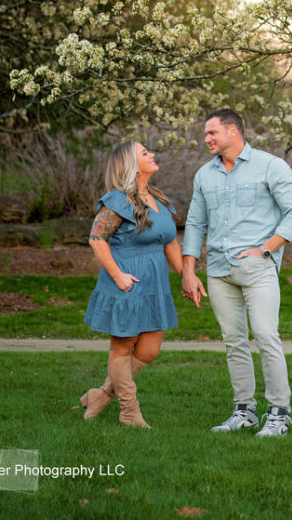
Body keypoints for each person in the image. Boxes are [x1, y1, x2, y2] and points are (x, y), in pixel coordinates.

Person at [181, 109, 292, 437]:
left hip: (257, 269)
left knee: (266, 336)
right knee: (234, 341)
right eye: (205, 134)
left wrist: (266, 247)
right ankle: (244, 412)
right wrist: (188, 270)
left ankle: (279, 414)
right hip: (218, 272)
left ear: (233, 132)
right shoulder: (204, 175)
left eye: (212, 133)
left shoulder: (270, 166)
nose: (206, 139)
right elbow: (195, 223)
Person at [79, 140, 196, 428]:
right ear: (130, 164)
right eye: (144, 153)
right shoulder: (117, 200)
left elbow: (170, 243)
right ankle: (129, 411)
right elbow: (97, 239)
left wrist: (187, 277)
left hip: (155, 284)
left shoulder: (160, 200)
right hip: (126, 282)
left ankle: (102, 394)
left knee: (149, 350)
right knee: (122, 348)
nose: (152, 154)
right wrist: (118, 276)